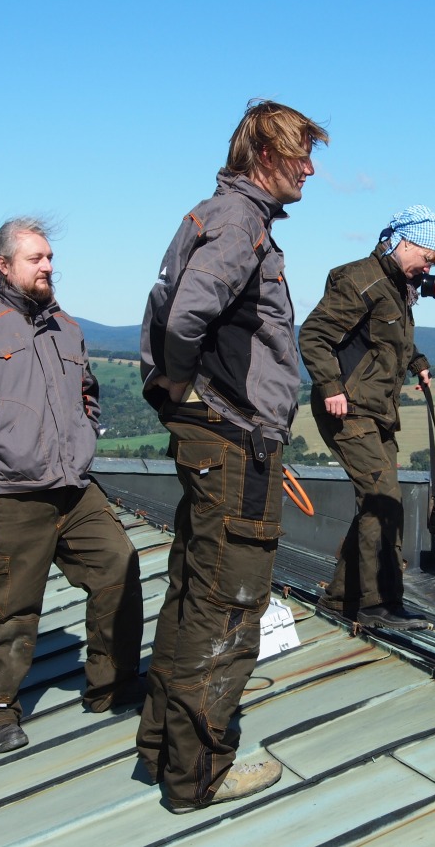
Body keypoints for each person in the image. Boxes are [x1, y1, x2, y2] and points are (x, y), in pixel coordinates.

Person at [137, 99, 328, 812]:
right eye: (300, 153)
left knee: (193, 590)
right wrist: (193, 395)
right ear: (264, 153)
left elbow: (166, 316)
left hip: (215, 437)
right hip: (233, 441)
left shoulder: (208, 214)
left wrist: (179, 396)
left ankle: (163, 750)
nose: (309, 169)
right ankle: (200, 775)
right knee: (230, 607)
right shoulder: (241, 223)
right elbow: (186, 316)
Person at [0, 216, 144, 755]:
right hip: (6, 489)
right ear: (2, 265)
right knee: (8, 604)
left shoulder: (67, 325)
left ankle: (112, 686)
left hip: (72, 484)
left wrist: (86, 434)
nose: (48, 266)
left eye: (48, 258)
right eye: (35, 258)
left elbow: (88, 391)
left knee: (120, 565)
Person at [298, 205, 435, 630]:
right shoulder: (362, 280)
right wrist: (331, 387)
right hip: (349, 408)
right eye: (428, 257)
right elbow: (313, 335)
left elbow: (384, 340)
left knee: (380, 500)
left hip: (376, 410)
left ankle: (344, 595)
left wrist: (417, 360)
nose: (428, 267)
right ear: (404, 242)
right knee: (383, 501)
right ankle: (378, 603)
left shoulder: (397, 285)